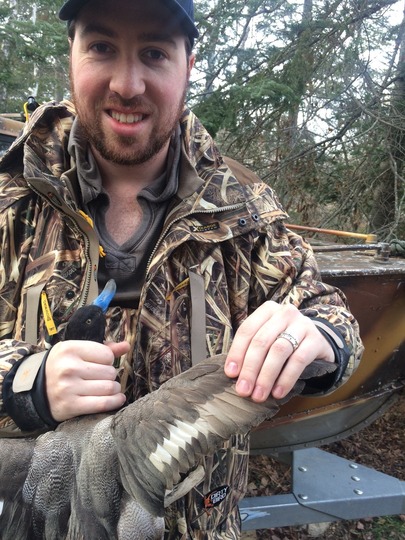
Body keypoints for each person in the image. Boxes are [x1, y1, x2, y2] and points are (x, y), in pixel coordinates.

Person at [0, 0, 363, 537]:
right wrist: (21, 386)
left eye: (154, 53)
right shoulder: (9, 198)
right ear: (70, 54)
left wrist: (316, 337)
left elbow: (332, 317)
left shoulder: (245, 210)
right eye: (102, 47)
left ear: (188, 64)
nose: (127, 84)